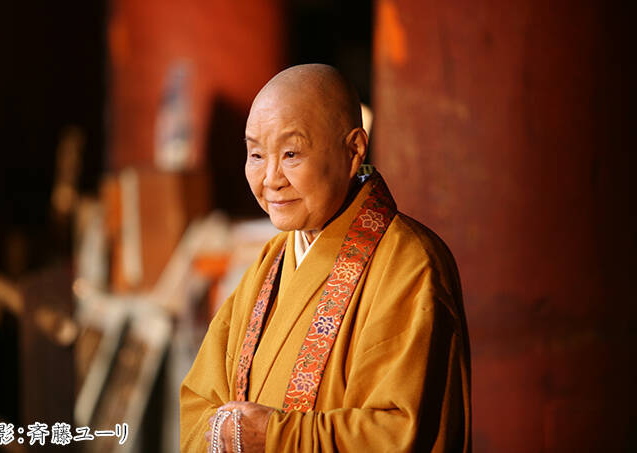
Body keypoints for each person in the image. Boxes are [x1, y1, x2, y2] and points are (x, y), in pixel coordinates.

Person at [180, 64, 471, 452]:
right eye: (256, 154)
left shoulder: (410, 264)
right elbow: (199, 403)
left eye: (291, 153)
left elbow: (399, 432)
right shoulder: (270, 263)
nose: (271, 178)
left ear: (354, 151)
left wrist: (274, 437)